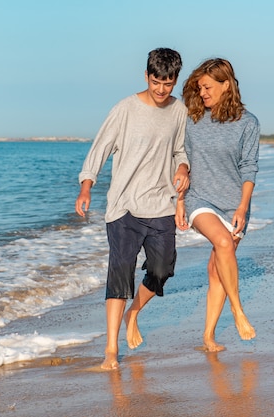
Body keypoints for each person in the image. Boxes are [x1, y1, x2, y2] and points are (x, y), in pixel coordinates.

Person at [75, 48, 189, 370]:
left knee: (163, 269)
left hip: (161, 205)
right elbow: (101, 147)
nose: (161, 90)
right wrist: (87, 185)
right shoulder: (125, 109)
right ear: (146, 76)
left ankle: (133, 312)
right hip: (124, 206)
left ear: (175, 80)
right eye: (156, 82)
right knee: (120, 274)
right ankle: (111, 349)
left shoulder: (179, 111)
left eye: (168, 83)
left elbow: (181, 150)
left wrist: (183, 168)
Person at [176, 58, 259, 352]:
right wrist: (181, 199)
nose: (203, 93)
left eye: (208, 87)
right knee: (223, 244)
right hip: (200, 198)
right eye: (199, 88)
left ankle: (208, 337)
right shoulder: (193, 119)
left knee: (217, 271)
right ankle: (238, 310)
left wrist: (241, 208)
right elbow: (181, 157)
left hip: (234, 204)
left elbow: (249, 168)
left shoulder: (248, 123)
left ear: (227, 85)